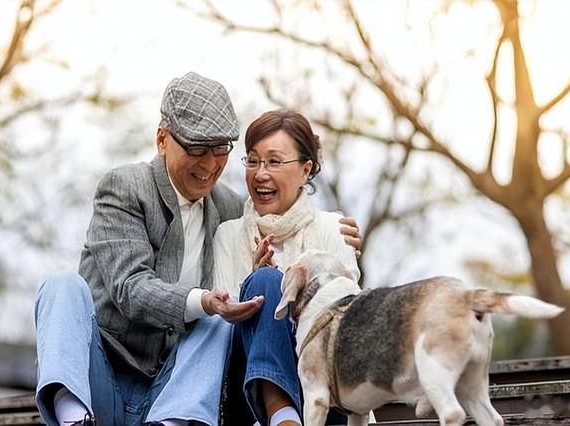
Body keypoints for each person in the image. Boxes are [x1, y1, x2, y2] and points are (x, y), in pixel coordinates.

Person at [34, 72, 361, 426]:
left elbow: (277, 215)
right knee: (61, 285)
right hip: (107, 375)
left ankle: (174, 420)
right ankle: (73, 416)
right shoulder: (125, 187)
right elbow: (130, 288)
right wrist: (204, 301)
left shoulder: (229, 208)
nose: (208, 164)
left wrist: (334, 229)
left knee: (221, 315)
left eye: (220, 149)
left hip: (172, 385)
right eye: (196, 148)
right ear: (162, 140)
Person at [213, 109, 361, 426]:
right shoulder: (227, 234)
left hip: (324, 395)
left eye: (274, 162)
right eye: (253, 161)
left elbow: (348, 323)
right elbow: (223, 330)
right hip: (247, 398)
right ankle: (283, 416)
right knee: (265, 282)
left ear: (305, 170)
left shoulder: (333, 229)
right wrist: (254, 283)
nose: (260, 174)